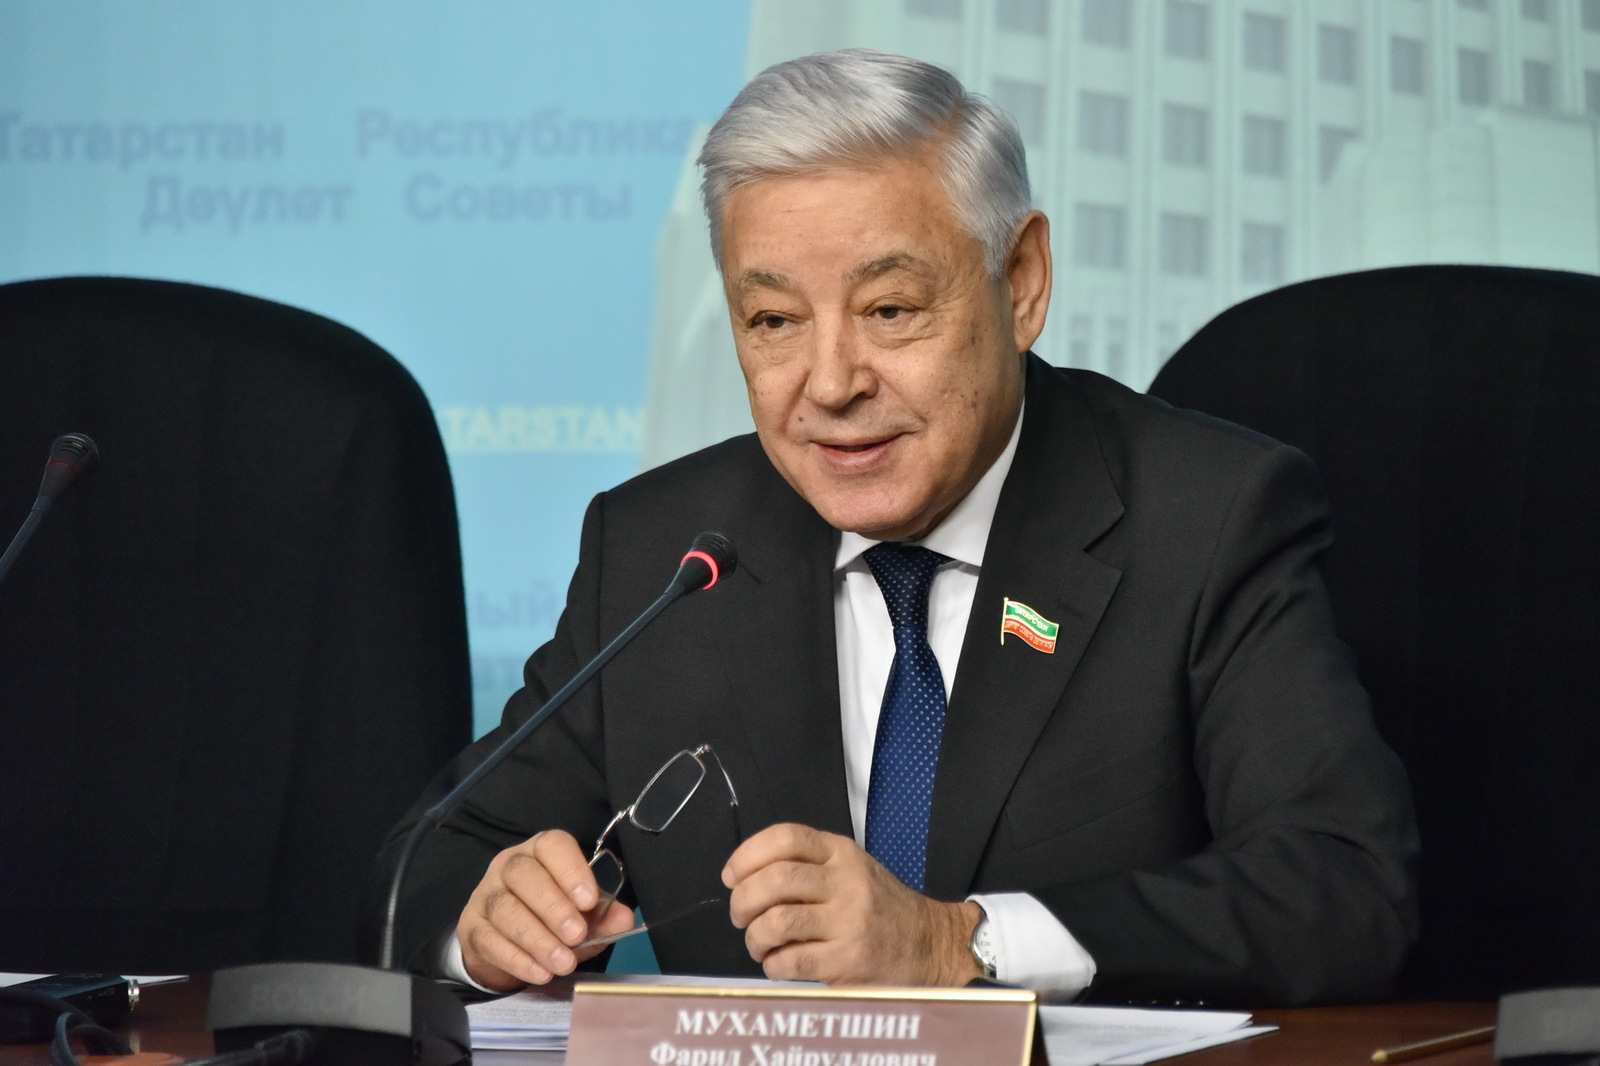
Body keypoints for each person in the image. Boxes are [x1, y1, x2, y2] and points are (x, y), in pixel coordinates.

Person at [382, 48, 1418, 1006]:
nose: (830, 384)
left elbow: (1342, 883)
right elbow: (424, 865)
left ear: (1021, 282)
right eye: (774, 322)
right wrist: (484, 926)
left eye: (889, 310)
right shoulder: (667, 551)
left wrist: (961, 941)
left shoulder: (1206, 517)